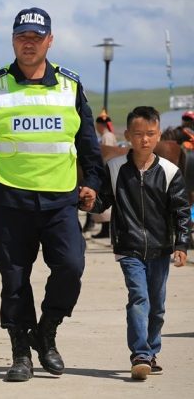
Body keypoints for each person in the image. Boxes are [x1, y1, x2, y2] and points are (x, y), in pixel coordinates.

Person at [0, 7, 104, 382]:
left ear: (49, 41)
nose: (28, 43)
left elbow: (89, 147)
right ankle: (21, 352)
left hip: (59, 202)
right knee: (15, 281)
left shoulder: (71, 87)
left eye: (36, 38)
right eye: (22, 36)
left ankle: (47, 331)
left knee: (71, 268)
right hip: (11, 202)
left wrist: (93, 184)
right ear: (13, 40)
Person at [87, 106, 190, 380]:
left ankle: (152, 351)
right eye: (139, 134)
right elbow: (103, 201)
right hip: (128, 246)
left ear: (157, 136)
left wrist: (181, 245)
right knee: (139, 297)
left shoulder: (170, 171)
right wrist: (88, 201)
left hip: (160, 248)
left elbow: (181, 211)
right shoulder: (115, 168)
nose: (145, 139)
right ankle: (140, 355)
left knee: (157, 305)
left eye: (151, 134)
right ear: (128, 136)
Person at [87, 111, 118, 238]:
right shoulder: (107, 136)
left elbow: (108, 153)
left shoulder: (107, 137)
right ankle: (104, 229)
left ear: (100, 125)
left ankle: (106, 229)